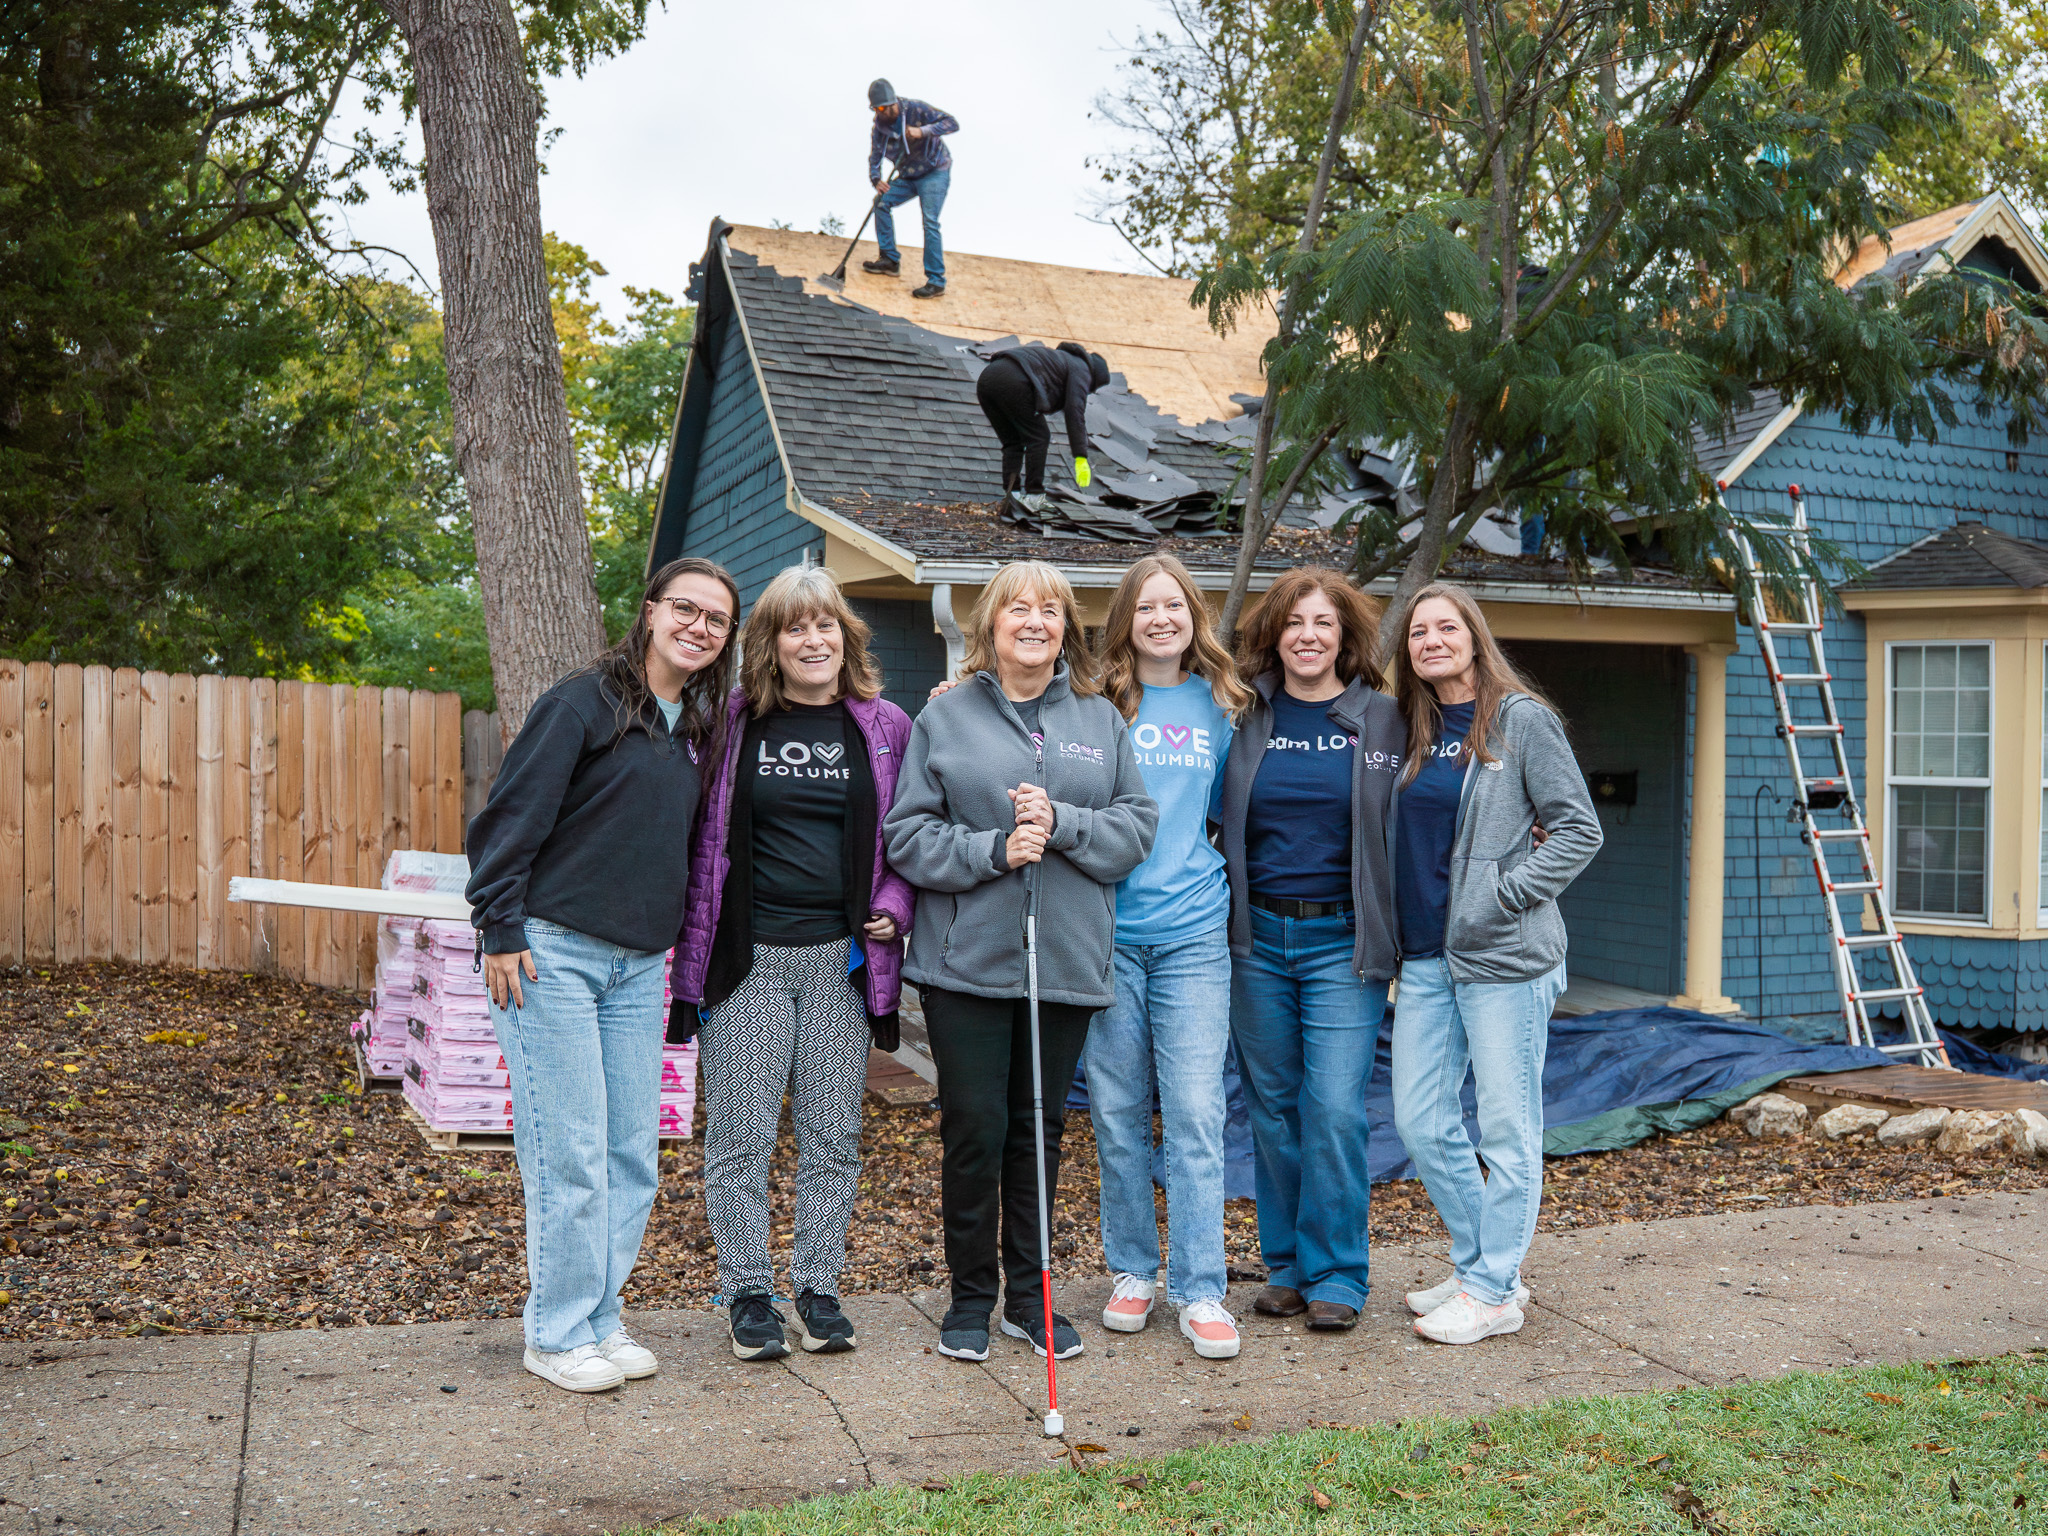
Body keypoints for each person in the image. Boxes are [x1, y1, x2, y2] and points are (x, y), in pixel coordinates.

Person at [466, 556, 738, 1394]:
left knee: (630, 1154)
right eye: (684, 610)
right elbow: (508, 818)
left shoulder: (694, 729)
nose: (698, 627)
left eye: (716, 620)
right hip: (552, 955)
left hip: (638, 966)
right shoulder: (583, 703)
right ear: (651, 612)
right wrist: (499, 925)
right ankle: (552, 1333)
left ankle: (597, 1318)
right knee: (569, 1151)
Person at [884, 560, 1157, 1364]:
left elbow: (1136, 830)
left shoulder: (1101, 721)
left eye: (1050, 610)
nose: (1034, 622)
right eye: (1018, 609)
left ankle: (1030, 1298)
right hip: (965, 963)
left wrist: (1065, 822)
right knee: (975, 1128)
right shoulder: (946, 717)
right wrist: (994, 851)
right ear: (991, 625)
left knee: (1038, 1132)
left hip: (1064, 963)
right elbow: (907, 837)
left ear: (1065, 627)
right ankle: (971, 1297)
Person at [672, 566, 916, 1362]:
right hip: (750, 961)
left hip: (840, 964)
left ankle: (817, 1288)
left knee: (834, 1136)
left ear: (847, 636)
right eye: (794, 628)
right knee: (741, 1137)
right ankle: (748, 1293)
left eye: (826, 626)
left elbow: (910, 836)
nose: (814, 640)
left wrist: (898, 905)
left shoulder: (886, 728)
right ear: (771, 645)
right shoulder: (729, 724)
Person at [1388, 583, 1601, 1345]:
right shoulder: (1411, 726)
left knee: (1507, 1129)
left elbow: (1578, 828)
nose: (1431, 640)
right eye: (1418, 632)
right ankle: (1485, 1260)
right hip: (1426, 958)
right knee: (1420, 1118)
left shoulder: (1521, 721)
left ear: (1476, 637)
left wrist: (1508, 894)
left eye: (1447, 627)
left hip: (1505, 958)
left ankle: (1492, 1291)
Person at [1218, 567, 1405, 1333]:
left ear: (1345, 636)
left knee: (1332, 1108)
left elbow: (1457, 761)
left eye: (1323, 623)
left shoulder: (1385, 720)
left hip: (1342, 942)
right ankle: (1288, 1266)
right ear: (1275, 633)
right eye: (1295, 622)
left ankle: (1339, 1273)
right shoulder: (1240, 714)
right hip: (1256, 938)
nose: (1308, 636)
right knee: (1271, 1108)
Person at [1085, 554, 1253, 1359]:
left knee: (1194, 1113)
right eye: (1146, 607)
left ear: (1194, 617)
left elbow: (1236, 809)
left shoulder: (1225, 704)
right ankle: (1133, 1271)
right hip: (1108, 934)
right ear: (1127, 618)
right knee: (1117, 1113)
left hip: (1192, 933)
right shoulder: (1094, 699)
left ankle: (1201, 1287)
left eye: (1174, 606)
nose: (1161, 619)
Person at [975, 343, 1109, 505]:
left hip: (987, 378)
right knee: (1039, 437)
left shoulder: (1062, 359)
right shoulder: (1082, 369)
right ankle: (1034, 496)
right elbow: (1075, 411)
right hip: (1014, 380)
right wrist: (1080, 456)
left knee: (1013, 441)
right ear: (1094, 378)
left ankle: (1012, 495)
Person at [861, 78, 959, 299]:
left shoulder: (916, 109)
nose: (881, 112)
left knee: (930, 221)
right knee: (881, 203)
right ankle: (889, 260)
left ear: (893, 101)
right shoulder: (880, 126)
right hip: (908, 175)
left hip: (934, 172)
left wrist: (921, 131)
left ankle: (936, 281)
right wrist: (876, 180)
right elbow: (875, 156)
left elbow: (952, 123)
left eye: (884, 107)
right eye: (877, 109)